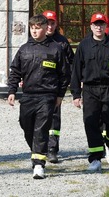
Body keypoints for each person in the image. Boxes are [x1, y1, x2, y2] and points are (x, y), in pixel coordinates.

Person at [7, 14, 70, 180]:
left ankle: (39, 165)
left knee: (41, 129)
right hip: (28, 96)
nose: (35, 32)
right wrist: (12, 91)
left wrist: (60, 95)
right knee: (26, 125)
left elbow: (64, 74)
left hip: (47, 96)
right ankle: (36, 151)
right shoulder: (24, 49)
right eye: (32, 29)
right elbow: (15, 71)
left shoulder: (56, 48)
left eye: (38, 28)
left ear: (44, 28)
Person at [70, 12, 109, 173]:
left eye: (101, 24)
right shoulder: (83, 46)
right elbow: (76, 71)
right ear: (91, 26)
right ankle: (96, 159)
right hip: (90, 90)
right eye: (96, 24)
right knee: (91, 123)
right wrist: (76, 94)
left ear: (106, 27)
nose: (99, 27)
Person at [41, 10, 75, 164]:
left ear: (56, 24)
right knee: (38, 119)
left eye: (52, 23)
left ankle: (52, 150)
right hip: (38, 87)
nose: (49, 26)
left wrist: (74, 82)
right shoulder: (35, 40)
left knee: (54, 119)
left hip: (55, 87)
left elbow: (73, 63)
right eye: (47, 23)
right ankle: (39, 147)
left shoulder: (62, 42)